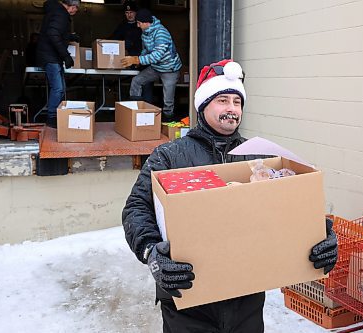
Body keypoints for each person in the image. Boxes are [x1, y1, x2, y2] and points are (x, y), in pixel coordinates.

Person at [122, 59, 338, 333]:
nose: (231, 109)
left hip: (245, 297)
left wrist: (317, 237)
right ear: (203, 105)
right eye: (222, 100)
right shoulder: (170, 156)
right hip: (188, 297)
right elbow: (136, 208)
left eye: (237, 102)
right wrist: (151, 251)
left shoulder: (258, 156)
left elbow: (284, 210)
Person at [121, 8, 181, 121]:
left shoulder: (161, 33)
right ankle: (136, 111)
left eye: (139, 23)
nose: (137, 26)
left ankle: (168, 120)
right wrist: (140, 60)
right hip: (156, 67)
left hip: (170, 69)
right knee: (136, 81)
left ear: (146, 22)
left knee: (168, 100)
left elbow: (157, 55)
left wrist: (137, 60)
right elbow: (146, 50)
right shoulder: (145, 32)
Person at [36, 0, 80, 128]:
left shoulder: (55, 11)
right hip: (51, 57)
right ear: (72, 7)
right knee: (58, 88)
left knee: (61, 88)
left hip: (51, 56)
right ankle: (51, 117)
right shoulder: (61, 14)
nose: (75, 12)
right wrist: (66, 56)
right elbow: (53, 33)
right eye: (76, 9)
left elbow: (55, 32)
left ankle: (55, 115)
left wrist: (70, 37)